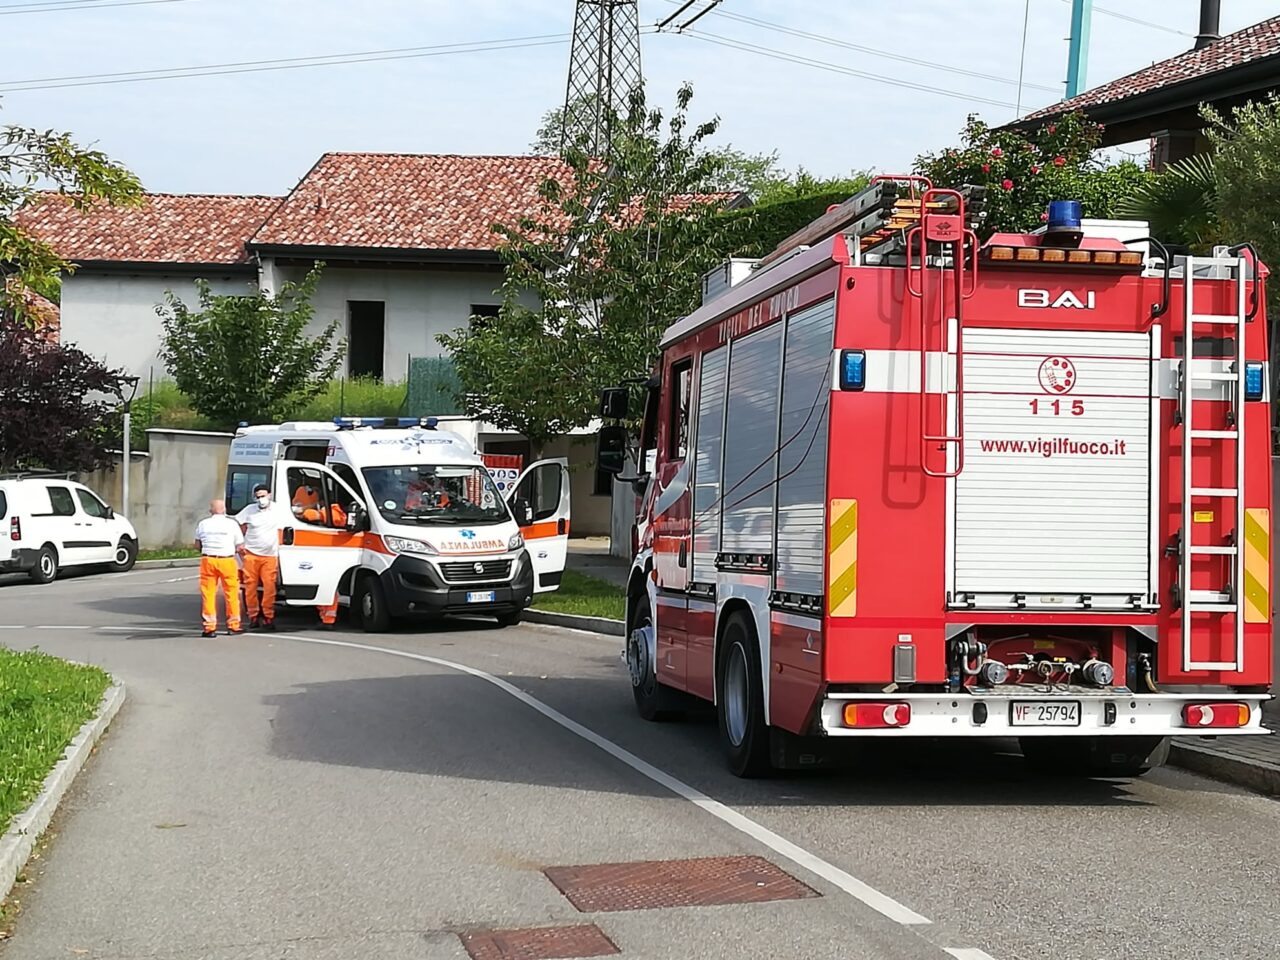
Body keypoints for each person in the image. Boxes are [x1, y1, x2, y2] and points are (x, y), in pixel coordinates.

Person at [234, 484, 291, 631]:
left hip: (270, 555)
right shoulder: (249, 510)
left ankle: (268, 617)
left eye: (263, 496)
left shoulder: (278, 509)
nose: (261, 499)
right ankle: (253, 616)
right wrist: (240, 543)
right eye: (258, 497)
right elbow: (237, 524)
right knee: (250, 587)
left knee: (269, 588)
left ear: (270, 495)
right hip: (251, 554)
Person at [193, 499, 245, 638]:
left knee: (208, 594)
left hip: (208, 560)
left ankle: (209, 627)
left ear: (211, 510)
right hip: (227, 560)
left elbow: (197, 545)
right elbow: (240, 546)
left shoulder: (203, 524)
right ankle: (233, 626)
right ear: (224, 509)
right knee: (231, 594)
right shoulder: (232, 524)